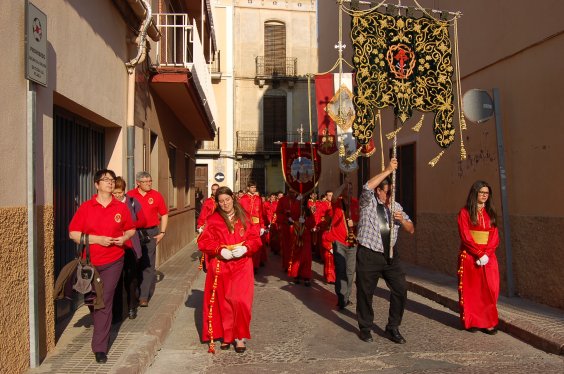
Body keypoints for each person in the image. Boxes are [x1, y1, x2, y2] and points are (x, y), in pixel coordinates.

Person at [68, 169, 136, 363]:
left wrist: (124, 237)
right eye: (105, 180)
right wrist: (97, 239)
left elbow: (131, 229)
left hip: (114, 260)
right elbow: (73, 234)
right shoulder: (86, 207)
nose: (110, 182)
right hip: (89, 263)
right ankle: (100, 324)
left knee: (103, 300)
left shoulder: (120, 207)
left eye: (112, 180)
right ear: (96, 184)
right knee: (92, 299)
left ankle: (99, 347)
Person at [355, 158, 415, 344]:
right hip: (369, 254)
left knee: (400, 289)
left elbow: (411, 229)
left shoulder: (396, 206)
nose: (389, 197)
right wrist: (388, 170)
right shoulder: (368, 203)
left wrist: (402, 220)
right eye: (386, 193)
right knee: (365, 292)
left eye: (392, 193)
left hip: (390, 256)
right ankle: (365, 327)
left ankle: (393, 327)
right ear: (378, 191)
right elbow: (366, 187)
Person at [197, 186, 262, 353]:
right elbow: (204, 242)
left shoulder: (245, 217)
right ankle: (226, 336)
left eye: (227, 200)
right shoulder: (213, 220)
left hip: (242, 263)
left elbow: (254, 238)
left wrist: (246, 248)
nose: (225, 204)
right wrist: (220, 250)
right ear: (217, 203)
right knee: (224, 301)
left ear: (232, 198)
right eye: (221, 201)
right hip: (221, 264)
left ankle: (240, 337)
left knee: (240, 300)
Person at [457, 180, 500, 334]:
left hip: (489, 257)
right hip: (470, 256)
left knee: (490, 289)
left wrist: (487, 254)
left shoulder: (491, 213)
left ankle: (488, 322)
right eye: (481, 192)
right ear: (475, 193)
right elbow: (465, 236)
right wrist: (479, 253)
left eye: (487, 193)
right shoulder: (465, 212)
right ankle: (473, 321)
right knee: (473, 291)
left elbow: (495, 237)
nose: (484, 195)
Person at [127, 171, 168, 307]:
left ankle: (144, 296)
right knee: (134, 263)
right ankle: (135, 293)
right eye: (145, 181)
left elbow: (164, 214)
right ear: (138, 183)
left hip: (151, 232)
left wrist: (162, 232)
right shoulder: (130, 195)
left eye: (150, 181)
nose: (149, 183)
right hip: (134, 232)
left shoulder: (156, 195)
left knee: (148, 263)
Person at [112, 177, 146, 320]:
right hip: (115, 247)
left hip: (131, 246)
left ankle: (132, 307)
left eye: (120, 192)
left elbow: (143, 220)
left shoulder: (132, 202)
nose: (117, 195)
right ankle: (117, 313)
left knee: (131, 280)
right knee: (116, 281)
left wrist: (129, 226)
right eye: (115, 193)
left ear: (124, 191)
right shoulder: (109, 204)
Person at [323, 179, 359, 310]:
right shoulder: (337, 203)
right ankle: (341, 296)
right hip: (339, 242)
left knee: (350, 272)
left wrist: (354, 224)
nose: (349, 192)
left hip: (352, 242)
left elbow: (360, 221)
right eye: (346, 190)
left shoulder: (356, 203)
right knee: (341, 270)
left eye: (351, 190)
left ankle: (346, 297)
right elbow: (334, 197)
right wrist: (344, 184)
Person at [239, 181, 266, 271]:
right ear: (248, 188)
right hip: (246, 224)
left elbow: (261, 213)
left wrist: (262, 226)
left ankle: (255, 265)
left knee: (256, 245)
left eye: (255, 187)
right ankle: (247, 264)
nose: (254, 189)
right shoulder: (243, 199)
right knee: (246, 244)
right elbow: (239, 213)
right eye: (252, 187)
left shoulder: (258, 199)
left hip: (256, 225)